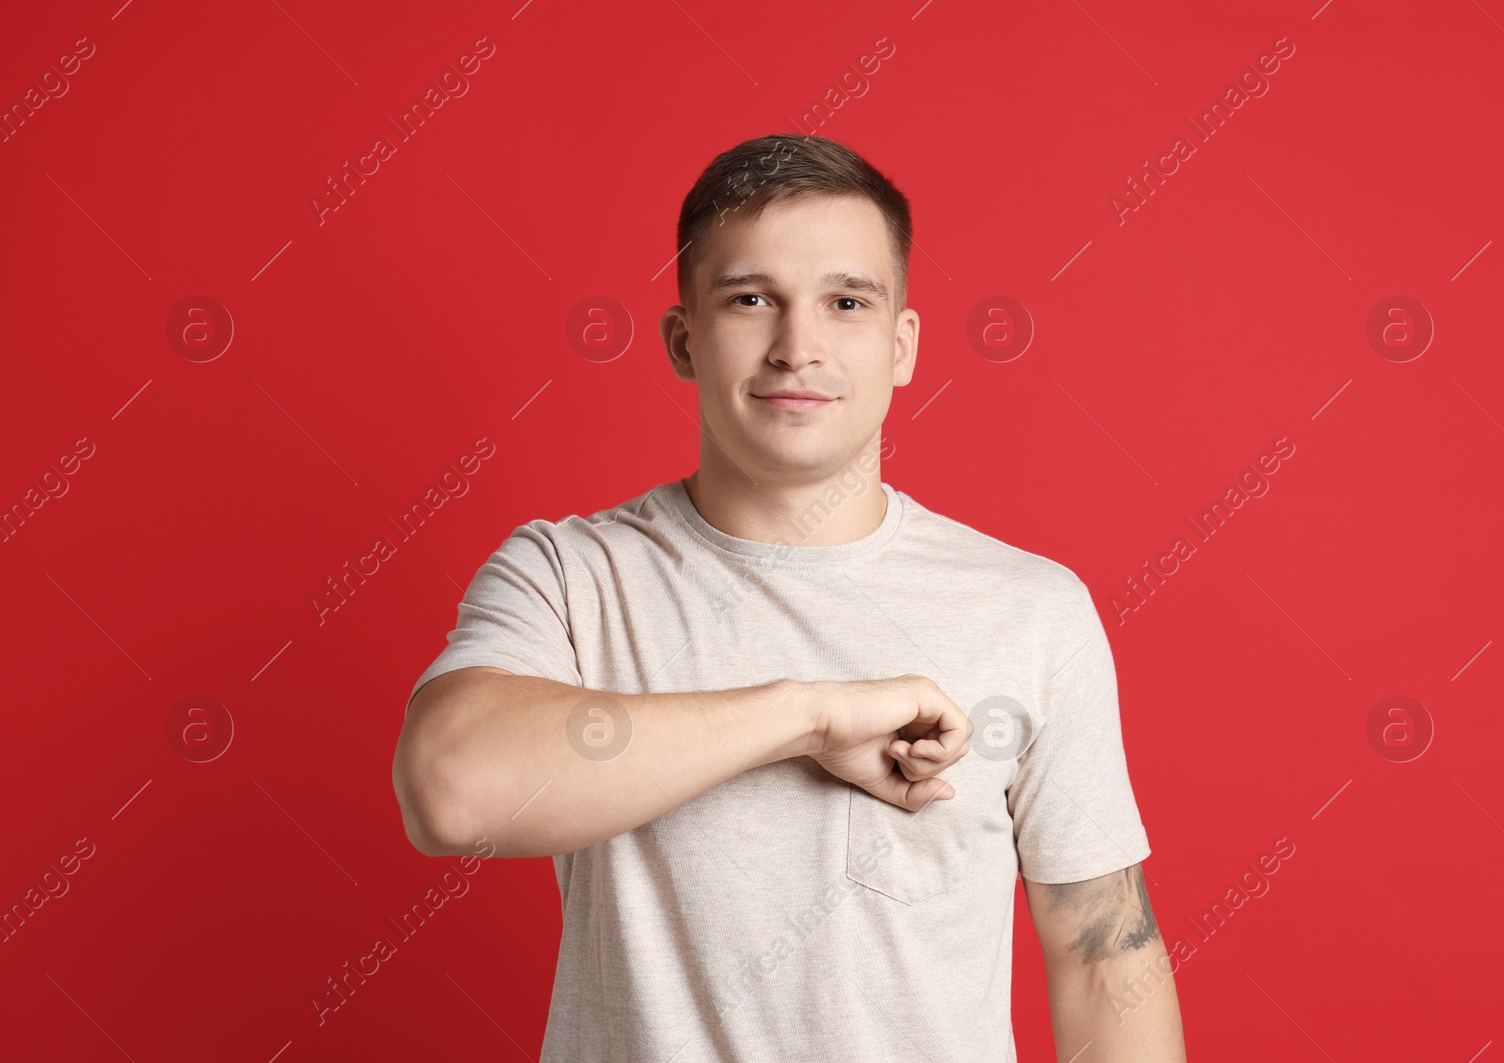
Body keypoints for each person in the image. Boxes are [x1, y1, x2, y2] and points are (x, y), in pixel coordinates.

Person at [391, 133, 1186, 1062]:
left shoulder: (1033, 609)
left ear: (901, 346)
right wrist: (808, 717)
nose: (796, 346)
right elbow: (449, 790)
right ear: (685, 340)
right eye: (751, 298)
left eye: (846, 301)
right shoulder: (572, 576)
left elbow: (1102, 958)